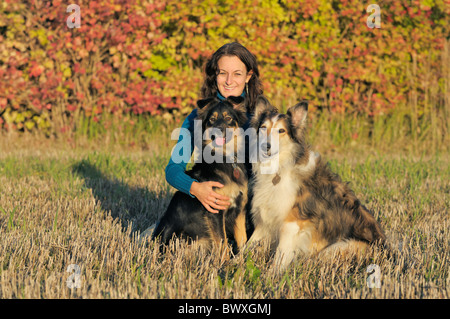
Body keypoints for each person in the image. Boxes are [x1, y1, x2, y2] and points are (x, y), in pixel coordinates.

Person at [165, 42, 264, 214]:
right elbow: (173, 169)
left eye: (237, 74)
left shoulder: (262, 116)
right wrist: (195, 189)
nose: (228, 81)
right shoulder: (197, 117)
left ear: (249, 76)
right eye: (222, 73)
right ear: (214, 75)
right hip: (213, 210)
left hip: (254, 210)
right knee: (155, 235)